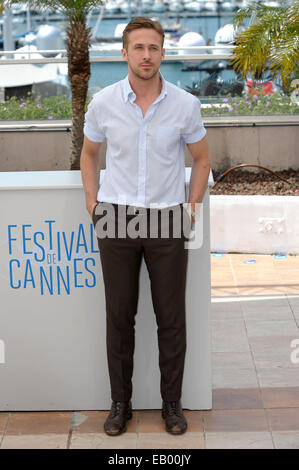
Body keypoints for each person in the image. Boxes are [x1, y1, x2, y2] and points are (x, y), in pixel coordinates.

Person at [80, 17, 210, 437]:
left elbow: (201, 159)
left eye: (153, 48)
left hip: (167, 218)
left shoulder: (185, 104)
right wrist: (91, 201)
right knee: (119, 316)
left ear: (163, 53)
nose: (146, 55)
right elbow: (89, 154)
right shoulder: (103, 103)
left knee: (171, 317)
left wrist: (190, 207)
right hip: (116, 217)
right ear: (124, 53)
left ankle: (172, 404)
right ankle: (121, 404)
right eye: (138, 48)